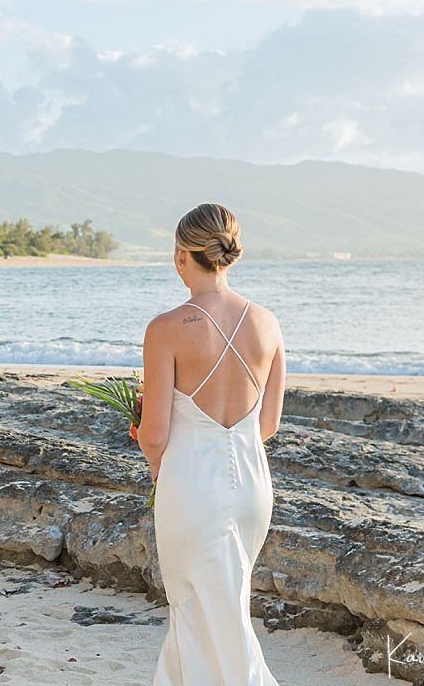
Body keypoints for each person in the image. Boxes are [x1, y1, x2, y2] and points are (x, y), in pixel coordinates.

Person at [138, 204, 286, 685]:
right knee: (226, 608)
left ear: (182, 255)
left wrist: (154, 456)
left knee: (198, 611)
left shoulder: (165, 330)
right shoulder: (268, 323)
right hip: (251, 486)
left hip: (191, 486)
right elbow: (267, 425)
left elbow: (156, 435)